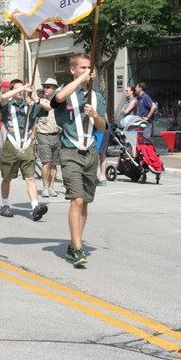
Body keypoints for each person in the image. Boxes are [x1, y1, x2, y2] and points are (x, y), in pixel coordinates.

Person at [50, 53, 107, 268]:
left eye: (89, 68)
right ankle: (77, 247)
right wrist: (81, 80)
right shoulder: (66, 91)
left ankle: (75, 244)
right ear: (73, 70)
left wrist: (95, 116)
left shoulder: (96, 97)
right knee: (77, 199)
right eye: (82, 68)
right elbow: (57, 100)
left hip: (90, 151)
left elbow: (103, 126)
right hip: (70, 151)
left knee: (85, 202)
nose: (87, 71)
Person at [0, 79, 48, 221]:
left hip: (26, 145)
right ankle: (5, 204)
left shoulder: (30, 106)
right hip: (11, 145)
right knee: (7, 178)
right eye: (17, 89)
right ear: (12, 90)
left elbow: (49, 107)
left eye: (23, 89)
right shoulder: (7, 105)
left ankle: (35, 206)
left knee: (30, 177)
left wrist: (34, 98)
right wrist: (21, 88)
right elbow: (2, 98)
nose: (21, 92)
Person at [34, 78, 61, 197]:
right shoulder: (40, 102)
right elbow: (36, 119)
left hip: (56, 134)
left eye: (48, 87)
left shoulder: (59, 101)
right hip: (43, 134)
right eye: (44, 87)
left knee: (54, 164)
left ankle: (51, 187)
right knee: (46, 162)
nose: (45, 89)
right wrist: (33, 135)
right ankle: (44, 187)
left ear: (55, 89)